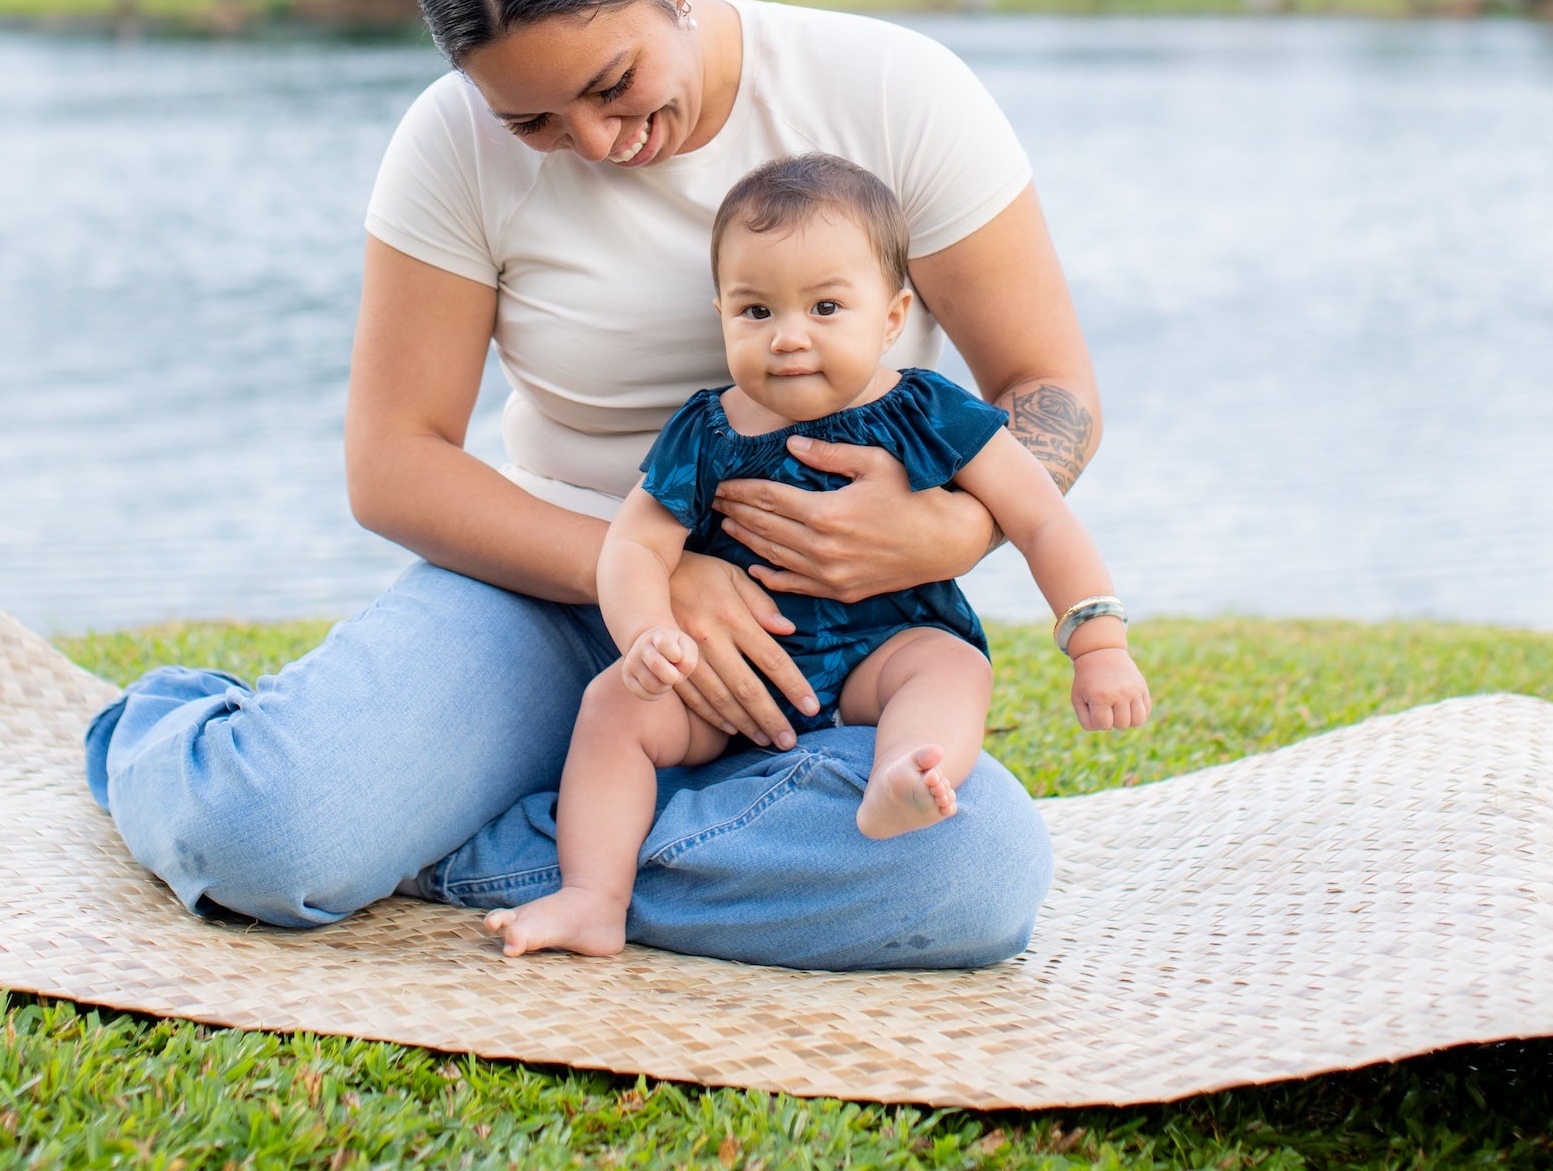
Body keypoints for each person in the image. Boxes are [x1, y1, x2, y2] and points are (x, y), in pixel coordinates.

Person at [84, 0, 1108, 971]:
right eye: (534, 121)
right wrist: (647, 587)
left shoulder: (894, 90)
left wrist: (946, 533)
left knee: (971, 877)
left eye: (613, 86)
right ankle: (172, 735)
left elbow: (1050, 387)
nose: (595, 143)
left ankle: (504, 847)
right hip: (552, 592)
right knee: (265, 837)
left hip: (838, 633)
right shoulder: (447, 143)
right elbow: (393, 463)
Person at [491, 155, 1149, 957]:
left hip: (884, 650)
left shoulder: (927, 411)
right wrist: (646, 635)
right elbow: (635, 542)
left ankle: (903, 775)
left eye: (827, 306)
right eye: (756, 310)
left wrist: (1098, 642)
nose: (789, 336)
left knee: (948, 669)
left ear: (891, 315)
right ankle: (592, 895)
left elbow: (1043, 520)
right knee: (612, 707)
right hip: (734, 673)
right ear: (721, 315)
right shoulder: (706, 431)